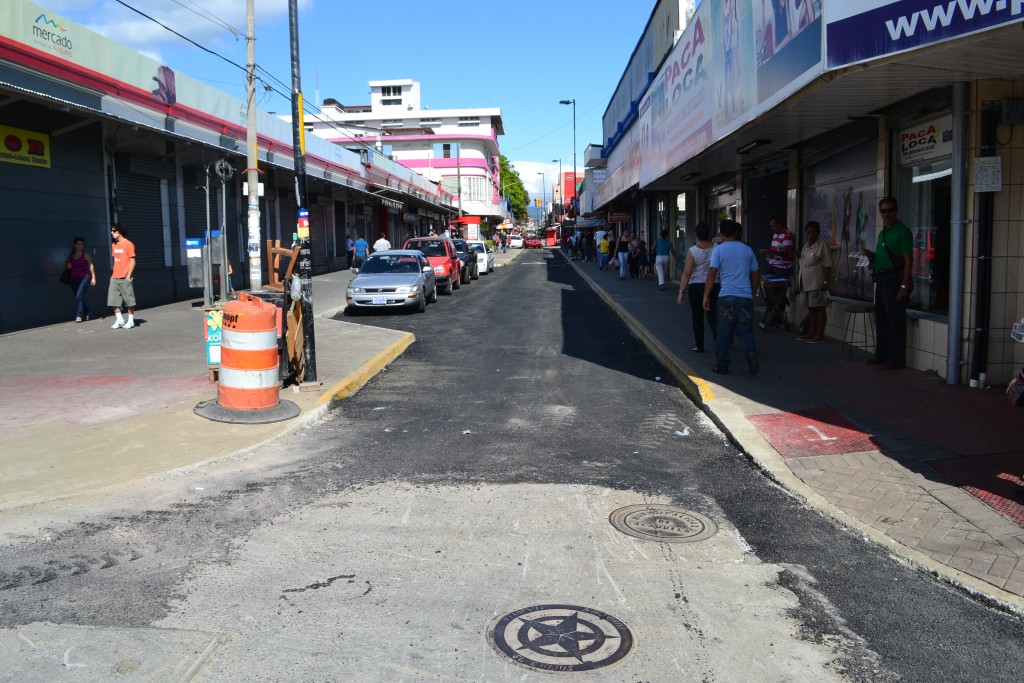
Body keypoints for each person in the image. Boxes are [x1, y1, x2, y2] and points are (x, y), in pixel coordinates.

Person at [704, 219, 760, 374]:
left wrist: (706, 295)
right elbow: (756, 275)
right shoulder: (747, 250)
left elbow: (712, 274)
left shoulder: (719, 250)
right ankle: (750, 352)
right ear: (736, 233)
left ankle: (722, 365)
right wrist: (753, 294)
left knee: (723, 332)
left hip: (726, 297)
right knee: (745, 331)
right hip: (744, 297)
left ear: (721, 233)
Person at [866, 197, 913, 369]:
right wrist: (872, 257)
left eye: (890, 210)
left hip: (894, 280)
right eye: (883, 211)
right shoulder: (883, 233)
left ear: (896, 211)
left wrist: (903, 286)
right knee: (881, 319)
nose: (887, 214)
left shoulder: (903, 232)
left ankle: (896, 359)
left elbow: (909, 261)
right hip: (882, 278)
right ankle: (881, 355)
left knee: (895, 321)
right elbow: (883, 257)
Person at [677, 222, 719, 352]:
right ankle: (721, 342)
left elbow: (687, 272)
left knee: (697, 316)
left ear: (696, 235)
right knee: (714, 317)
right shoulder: (717, 248)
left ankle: (699, 344)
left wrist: (681, 292)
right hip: (715, 284)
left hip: (696, 286)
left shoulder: (693, 251)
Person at [796, 221, 832, 343]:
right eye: (808, 232)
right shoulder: (806, 246)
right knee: (810, 308)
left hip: (817, 282)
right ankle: (811, 331)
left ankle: (820, 334)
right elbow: (804, 262)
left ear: (818, 233)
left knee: (820, 308)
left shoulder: (822, 245)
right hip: (805, 282)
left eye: (813, 232)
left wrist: (826, 282)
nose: (810, 235)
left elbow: (828, 265)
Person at [108, 223, 137, 329]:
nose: (112, 233)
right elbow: (116, 260)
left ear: (120, 232)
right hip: (115, 277)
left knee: (129, 300)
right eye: (111, 231)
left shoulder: (128, 244)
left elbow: (133, 261)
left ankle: (130, 321)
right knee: (113, 300)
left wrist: (128, 276)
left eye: (114, 231)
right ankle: (119, 320)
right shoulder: (114, 244)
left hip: (125, 277)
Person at [64, 236, 96, 323]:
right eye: (78, 244)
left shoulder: (86, 255)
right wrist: (68, 265)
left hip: (84, 278)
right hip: (73, 279)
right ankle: (87, 312)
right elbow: (66, 265)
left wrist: (93, 277)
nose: (80, 246)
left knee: (79, 296)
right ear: (74, 245)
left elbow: (91, 265)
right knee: (79, 297)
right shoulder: (70, 256)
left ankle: (79, 315)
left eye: (81, 244)